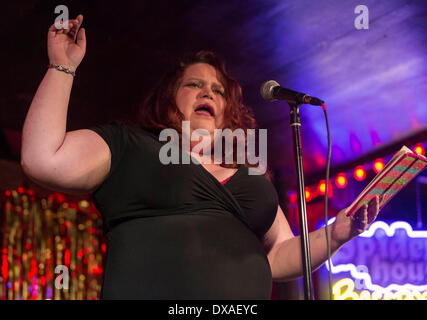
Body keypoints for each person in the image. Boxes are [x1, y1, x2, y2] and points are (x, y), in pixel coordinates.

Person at [21, 14, 380, 300]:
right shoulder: (129, 144)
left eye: (218, 90)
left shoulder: (249, 174)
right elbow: (43, 159)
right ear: (169, 97)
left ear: (228, 112)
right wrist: (61, 67)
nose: (208, 91)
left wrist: (336, 234)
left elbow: (280, 254)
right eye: (194, 84)